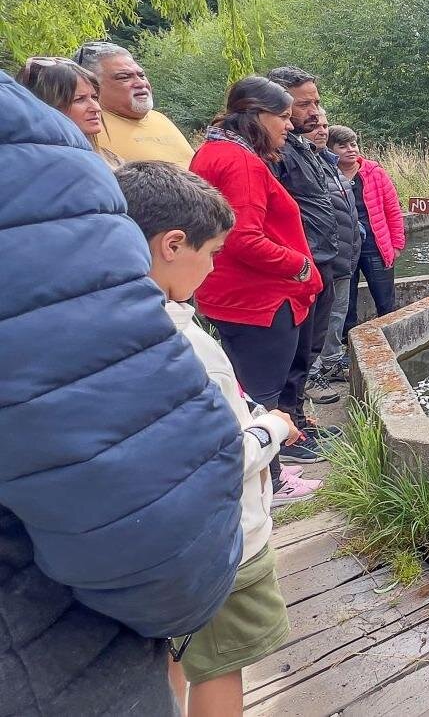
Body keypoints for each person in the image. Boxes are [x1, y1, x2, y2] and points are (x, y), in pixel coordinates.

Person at [0, 70, 243, 716]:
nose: (89, 109)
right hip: (54, 652)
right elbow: (154, 527)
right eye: (79, 97)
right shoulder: (41, 167)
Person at [115, 160, 300, 716]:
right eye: (213, 252)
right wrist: (271, 428)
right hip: (220, 543)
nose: (215, 266)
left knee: (169, 651)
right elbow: (215, 458)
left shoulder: (112, 322)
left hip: (152, 542)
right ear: (173, 244)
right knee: (221, 665)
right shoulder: (183, 345)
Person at [190, 75, 325, 500]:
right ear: (255, 115)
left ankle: (271, 468)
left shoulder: (213, 151)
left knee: (247, 388)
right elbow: (244, 238)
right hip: (260, 299)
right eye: (282, 116)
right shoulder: (240, 162)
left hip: (231, 294)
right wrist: (300, 267)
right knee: (263, 392)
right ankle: (273, 480)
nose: (289, 124)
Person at [265, 67, 344, 418]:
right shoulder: (274, 152)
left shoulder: (302, 146)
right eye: (303, 105)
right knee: (291, 353)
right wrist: (298, 262)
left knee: (309, 347)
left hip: (321, 260)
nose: (314, 112)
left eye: (316, 102)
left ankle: (298, 419)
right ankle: (288, 427)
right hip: (299, 264)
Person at [329, 124, 406, 334]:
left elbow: (393, 210)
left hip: (375, 245)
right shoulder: (327, 175)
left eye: (353, 144)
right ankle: (347, 343)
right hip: (343, 249)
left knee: (385, 300)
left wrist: (396, 245)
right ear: (331, 149)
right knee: (345, 303)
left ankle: (390, 336)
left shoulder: (375, 173)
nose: (350, 150)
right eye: (343, 146)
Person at [72, 40, 194, 167]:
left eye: (141, 75)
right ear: (91, 85)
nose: (141, 83)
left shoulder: (160, 118)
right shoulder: (87, 126)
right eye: (124, 77)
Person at [308, 112, 361, 390]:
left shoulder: (329, 164)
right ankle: (312, 371)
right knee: (317, 318)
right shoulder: (303, 164)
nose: (321, 131)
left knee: (337, 313)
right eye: (315, 126)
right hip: (322, 257)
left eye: (325, 126)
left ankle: (331, 361)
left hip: (344, 255)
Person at [15, 55, 123, 169]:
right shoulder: (33, 167)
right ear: (46, 106)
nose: (96, 108)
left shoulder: (112, 160)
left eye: (94, 97)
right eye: (79, 99)